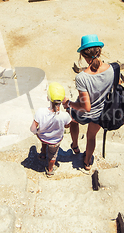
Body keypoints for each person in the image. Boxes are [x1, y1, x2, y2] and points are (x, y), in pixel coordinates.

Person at [62, 34, 113, 172]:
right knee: (91, 137)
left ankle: (75, 146)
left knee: (73, 120)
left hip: (84, 113)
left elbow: (86, 107)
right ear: (100, 51)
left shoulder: (82, 77)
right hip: (100, 113)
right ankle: (87, 163)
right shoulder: (112, 69)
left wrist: (69, 103)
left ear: (84, 56)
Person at [30, 82, 72, 177]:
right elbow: (67, 126)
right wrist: (67, 108)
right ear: (62, 101)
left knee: (44, 140)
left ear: (48, 98)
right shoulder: (65, 116)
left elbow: (32, 128)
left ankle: (43, 153)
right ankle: (50, 170)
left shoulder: (40, 112)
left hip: (43, 137)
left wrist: (37, 133)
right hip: (55, 141)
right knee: (53, 155)